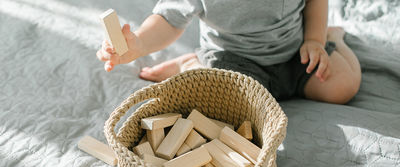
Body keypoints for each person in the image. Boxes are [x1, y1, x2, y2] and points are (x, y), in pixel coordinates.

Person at [96, 0, 362, 104]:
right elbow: (170, 18)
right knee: (222, 106)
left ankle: (333, 36)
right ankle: (191, 62)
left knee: (343, 86)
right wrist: (139, 43)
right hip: (233, 59)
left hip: (296, 52)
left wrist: (315, 39)